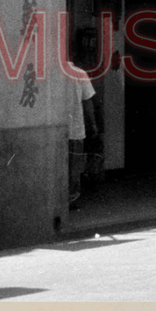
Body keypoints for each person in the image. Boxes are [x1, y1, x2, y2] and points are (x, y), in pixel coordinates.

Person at [68, 68, 97, 209]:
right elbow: (87, 102)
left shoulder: (51, 72)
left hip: (56, 128)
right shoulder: (79, 73)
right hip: (75, 129)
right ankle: (72, 198)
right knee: (74, 167)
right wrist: (93, 124)